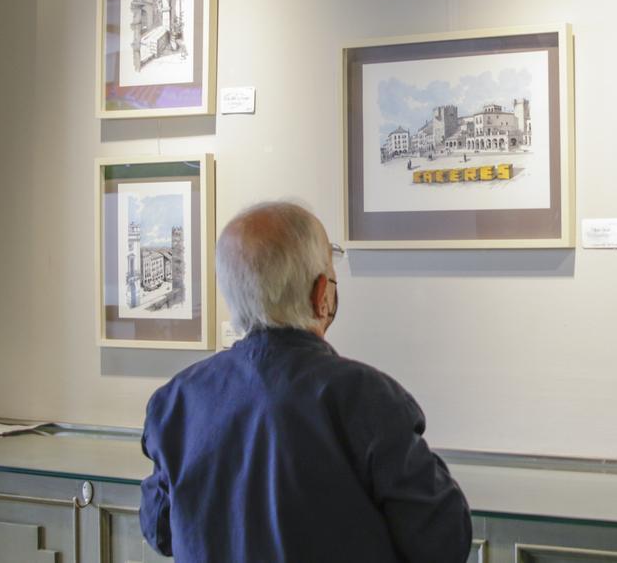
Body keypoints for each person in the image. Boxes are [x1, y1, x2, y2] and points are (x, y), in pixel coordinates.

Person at [139, 201, 472, 562]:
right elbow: (443, 539)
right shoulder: (368, 399)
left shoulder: (176, 401)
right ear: (321, 295)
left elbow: (159, 530)